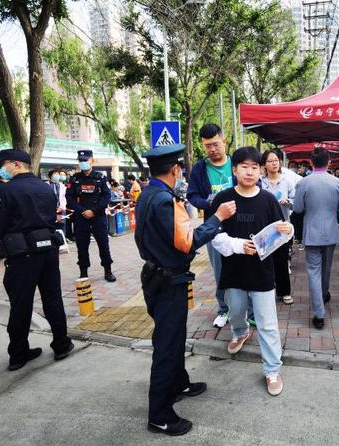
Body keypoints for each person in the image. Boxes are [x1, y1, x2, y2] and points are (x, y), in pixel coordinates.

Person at [134, 143, 236, 436]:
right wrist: (217, 218)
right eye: (180, 169)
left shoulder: (147, 194)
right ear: (176, 169)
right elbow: (188, 242)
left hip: (157, 275)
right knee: (167, 345)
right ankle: (160, 415)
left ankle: (179, 382)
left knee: (173, 336)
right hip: (167, 280)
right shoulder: (165, 201)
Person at [211, 146, 292, 396]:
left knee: (267, 323)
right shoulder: (223, 199)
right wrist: (238, 246)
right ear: (234, 170)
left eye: (254, 167)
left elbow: (279, 232)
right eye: (244, 167)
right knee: (236, 311)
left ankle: (272, 369)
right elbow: (213, 235)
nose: (249, 172)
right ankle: (240, 332)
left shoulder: (268, 199)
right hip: (233, 270)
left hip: (262, 271)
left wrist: (288, 230)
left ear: (261, 170)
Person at [0, 149, 73, 371]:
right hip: (48, 250)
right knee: (53, 298)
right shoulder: (46, 188)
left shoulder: (5, 190)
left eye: (3, 164)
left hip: (22, 254)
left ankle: (18, 354)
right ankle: (61, 344)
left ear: (16, 164)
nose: (2, 169)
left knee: (21, 303)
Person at [187, 123, 236, 328]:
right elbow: (192, 196)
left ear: (224, 141)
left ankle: (247, 310)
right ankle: (224, 309)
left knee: (244, 267)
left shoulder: (237, 163)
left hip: (240, 224)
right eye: (208, 146)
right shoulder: (200, 168)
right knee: (220, 270)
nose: (212, 149)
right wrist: (209, 203)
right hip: (214, 227)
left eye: (216, 144)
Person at [293, 147, 339, 329]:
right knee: (326, 268)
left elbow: (298, 208)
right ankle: (323, 294)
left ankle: (319, 313)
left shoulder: (303, 183)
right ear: (329, 162)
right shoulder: (338, 182)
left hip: (311, 233)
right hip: (331, 232)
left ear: (311, 162)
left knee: (313, 271)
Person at [66, 150, 116, 282]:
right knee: (82, 246)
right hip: (81, 217)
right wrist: (82, 210)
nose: (83, 163)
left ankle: (108, 271)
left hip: (98, 216)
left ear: (92, 161)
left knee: (103, 245)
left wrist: (93, 211)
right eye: (80, 160)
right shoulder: (75, 179)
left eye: (85, 160)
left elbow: (106, 196)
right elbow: (69, 198)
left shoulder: (100, 177)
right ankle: (83, 272)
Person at [260, 149, 295, 305]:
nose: (274, 163)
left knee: (281, 260)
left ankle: (284, 292)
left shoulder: (286, 181)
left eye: (276, 160)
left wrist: (288, 202)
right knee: (265, 260)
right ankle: (266, 291)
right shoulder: (260, 182)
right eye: (270, 161)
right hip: (264, 227)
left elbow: (296, 202)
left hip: (282, 226)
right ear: (264, 165)